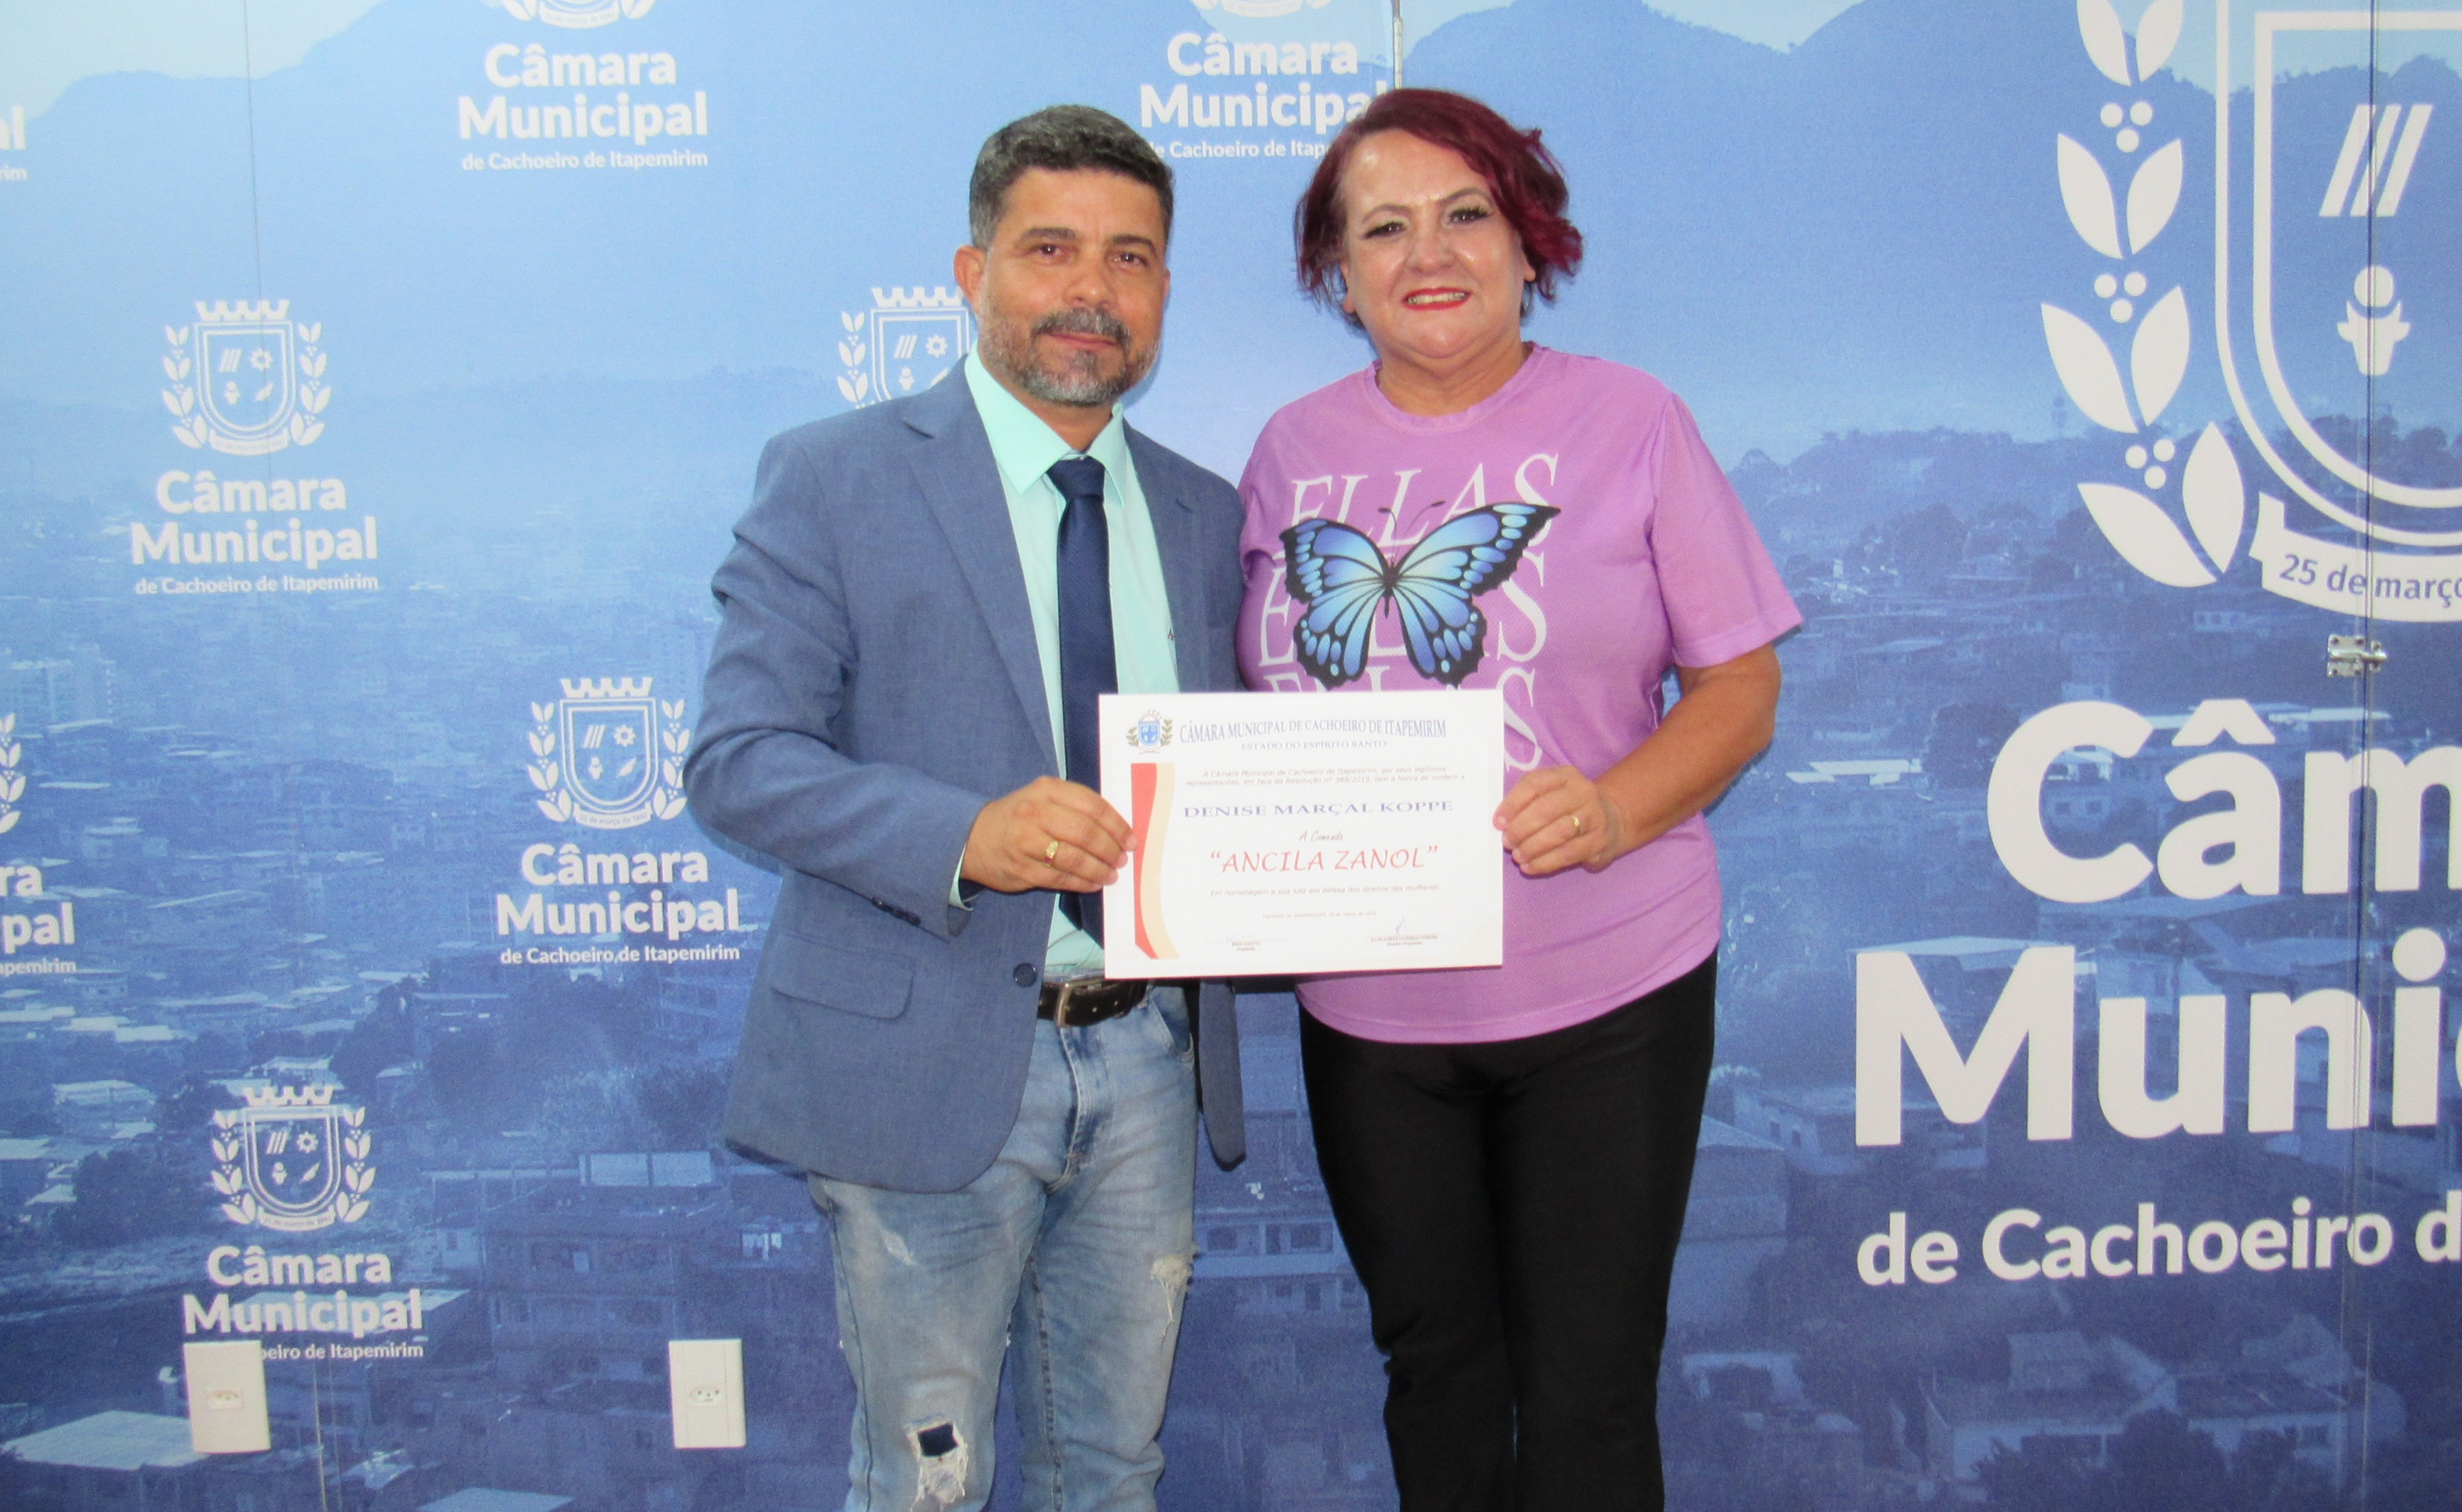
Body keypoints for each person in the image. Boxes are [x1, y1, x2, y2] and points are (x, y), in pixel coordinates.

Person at [1234, 88, 1800, 1511]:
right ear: (1337, 273)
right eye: (1385, 228)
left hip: (1609, 994)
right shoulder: (1287, 452)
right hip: (1371, 1019)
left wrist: (1611, 810)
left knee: (1587, 1399)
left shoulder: (1634, 421)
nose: (1429, 253)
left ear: (1527, 241)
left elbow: (1741, 690)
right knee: (1435, 1381)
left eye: (1466, 214)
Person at [685, 104, 1246, 1512]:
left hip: (1146, 1063)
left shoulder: (1205, 513)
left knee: (1112, 1474)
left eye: (1130, 258)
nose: (1091, 290)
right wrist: (963, 836)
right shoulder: (832, 476)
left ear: (1163, 290)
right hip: (922, 1064)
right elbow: (738, 759)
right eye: (1050, 249)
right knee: (923, 1487)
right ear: (970, 270)